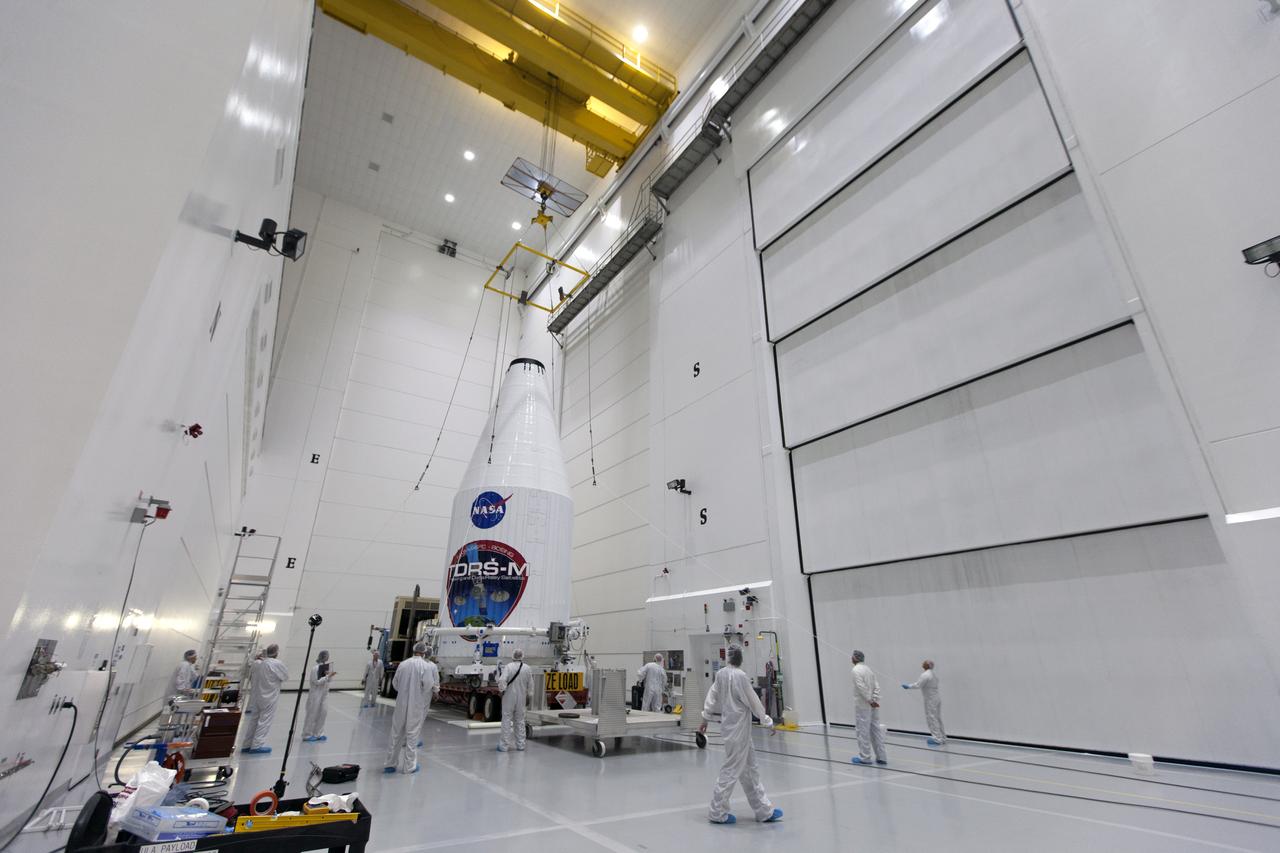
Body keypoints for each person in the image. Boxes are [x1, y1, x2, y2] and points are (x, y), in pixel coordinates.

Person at [699, 645, 783, 825]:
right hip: (738, 730)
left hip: (732, 728)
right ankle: (717, 811)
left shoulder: (720, 674)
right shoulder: (741, 676)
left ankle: (764, 810)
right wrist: (768, 721)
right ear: (739, 658)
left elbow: (711, 696)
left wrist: (705, 718)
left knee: (750, 770)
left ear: (728, 658)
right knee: (731, 770)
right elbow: (754, 702)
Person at [384, 642, 433, 774]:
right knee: (412, 735)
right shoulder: (426, 666)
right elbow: (428, 685)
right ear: (424, 652)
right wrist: (417, 692)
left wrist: (404, 692)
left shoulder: (403, 664)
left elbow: (395, 683)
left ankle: (390, 764)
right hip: (416, 704)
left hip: (401, 704)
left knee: (396, 733)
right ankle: (409, 766)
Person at [241, 644, 288, 754]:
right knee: (264, 721)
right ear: (276, 652)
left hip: (258, 696)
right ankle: (257, 745)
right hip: (269, 696)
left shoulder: (261, 663)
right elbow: (285, 677)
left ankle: (247, 745)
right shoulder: (276, 664)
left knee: (254, 720)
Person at [850, 650, 887, 766]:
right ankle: (882, 757)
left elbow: (861, 688)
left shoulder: (855, 670)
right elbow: (877, 686)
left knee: (863, 731)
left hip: (863, 705)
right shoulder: (869, 669)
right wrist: (875, 700)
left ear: (855, 658)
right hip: (873, 705)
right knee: (875, 730)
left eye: (852, 656)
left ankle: (865, 757)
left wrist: (870, 701)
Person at [903, 659, 946, 746]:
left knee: (931, 718)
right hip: (936, 698)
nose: (922, 663)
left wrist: (908, 686)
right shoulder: (933, 674)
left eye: (924, 663)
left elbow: (918, 685)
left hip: (930, 699)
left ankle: (937, 738)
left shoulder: (925, 675)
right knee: (937, 718)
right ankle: (942, 737)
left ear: (927, 665)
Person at [496, 649, 532, 752]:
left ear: (513, 656)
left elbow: (502, 680)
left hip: (509, 696)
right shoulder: (527, 668)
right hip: (522, 697)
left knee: (506, 719)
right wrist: (529, 695)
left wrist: (501, 690)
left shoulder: (509, 667)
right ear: (522, 657)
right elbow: (530, 684)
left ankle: (504, 746)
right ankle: (521, 745)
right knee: (520, 720)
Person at [302, 650, 337, 742]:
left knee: (323, 713)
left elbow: (329, 680)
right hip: (315, 694)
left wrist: (330, 675)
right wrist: (327, 677)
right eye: (326, 656)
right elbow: (316, 682)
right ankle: (307, 734)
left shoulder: (327, 667)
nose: (327, 657)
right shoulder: (315, 668)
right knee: (312, 714)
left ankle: (318, 733)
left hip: (324, 694)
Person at [419, 655, 441, 743]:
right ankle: (413, 740)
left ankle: (406, 739)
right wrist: (436, 692)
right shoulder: (431, 666)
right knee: (420, 716)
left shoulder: (412, 663)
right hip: (425, 694)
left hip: (413, 694)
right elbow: (434, 681)